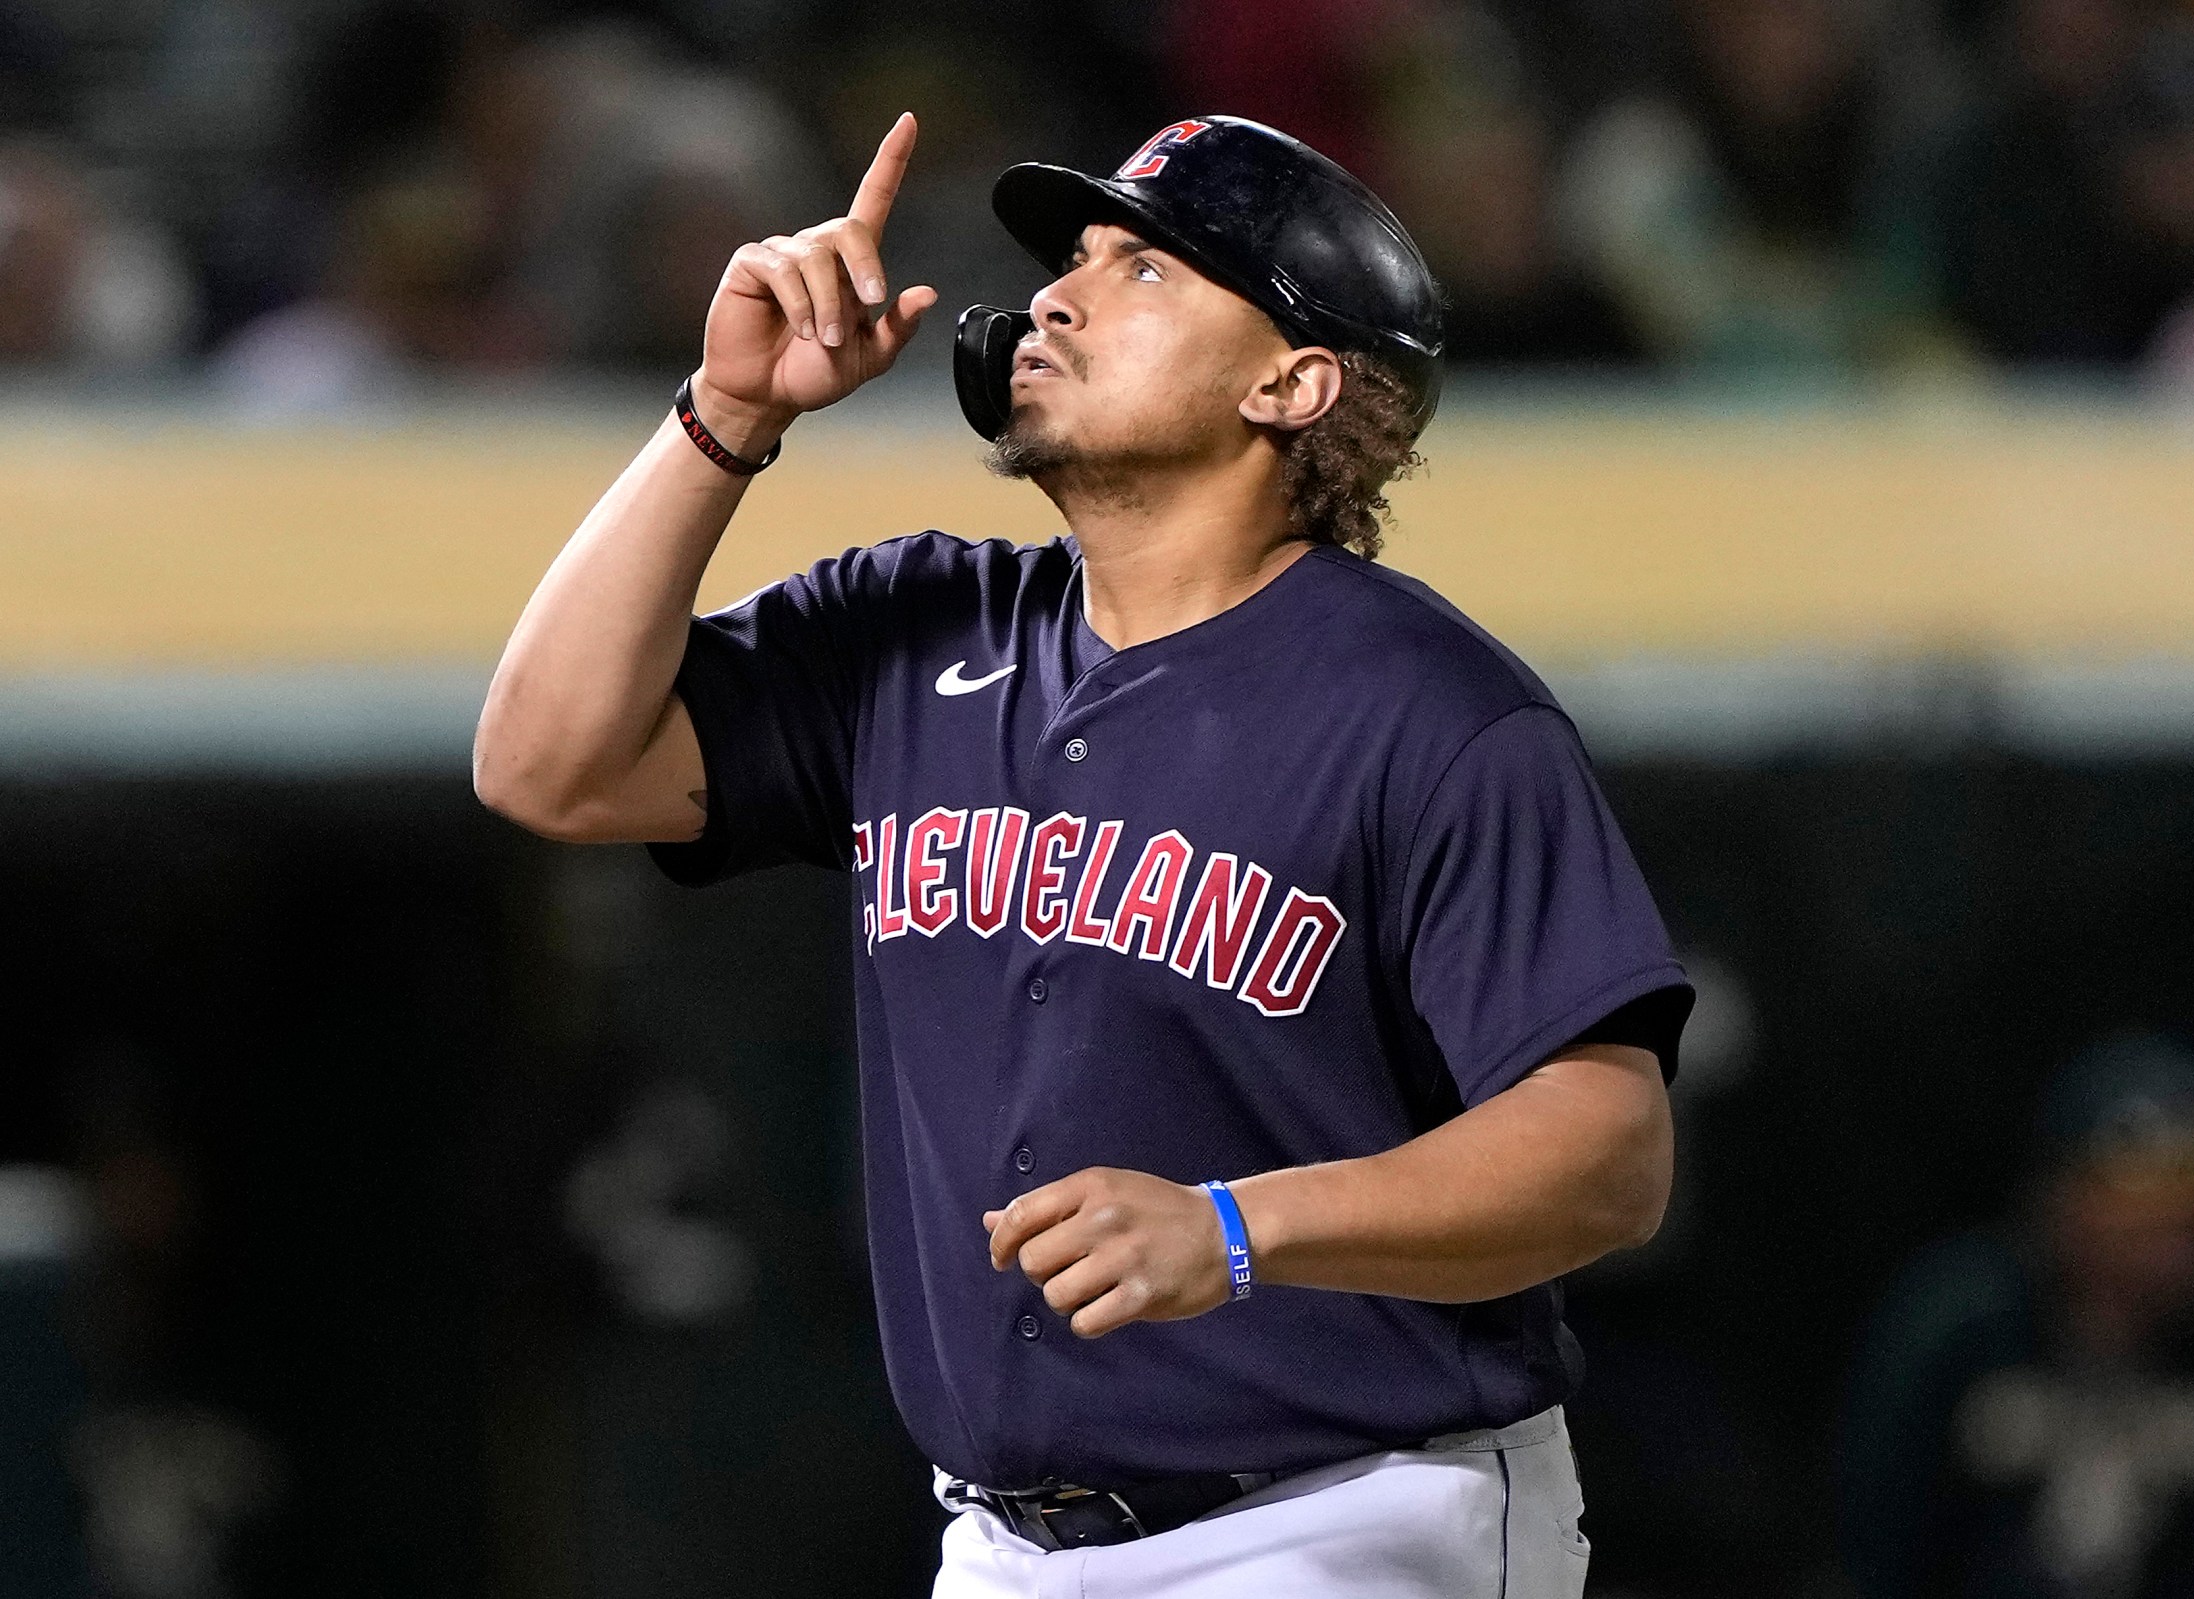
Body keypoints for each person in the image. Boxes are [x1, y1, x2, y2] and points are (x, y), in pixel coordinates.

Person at [475, 110, 1693, 1596]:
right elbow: (547, 761)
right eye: (1074, 258)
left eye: (1147, 269)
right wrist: (727, 414)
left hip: (1351, 1511)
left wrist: (1240, 1228)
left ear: (1292, 381)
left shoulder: (1430, 710)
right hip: (1002, 1541)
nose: (1058, 292)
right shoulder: (915, 624)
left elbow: (1608, 1152)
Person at [1838, 1032, 2194, 1599]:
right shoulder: (1959, 1324)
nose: (2184, 1230)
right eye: (2145, 1194)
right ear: (2062, 1198)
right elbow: (1875, 1540)